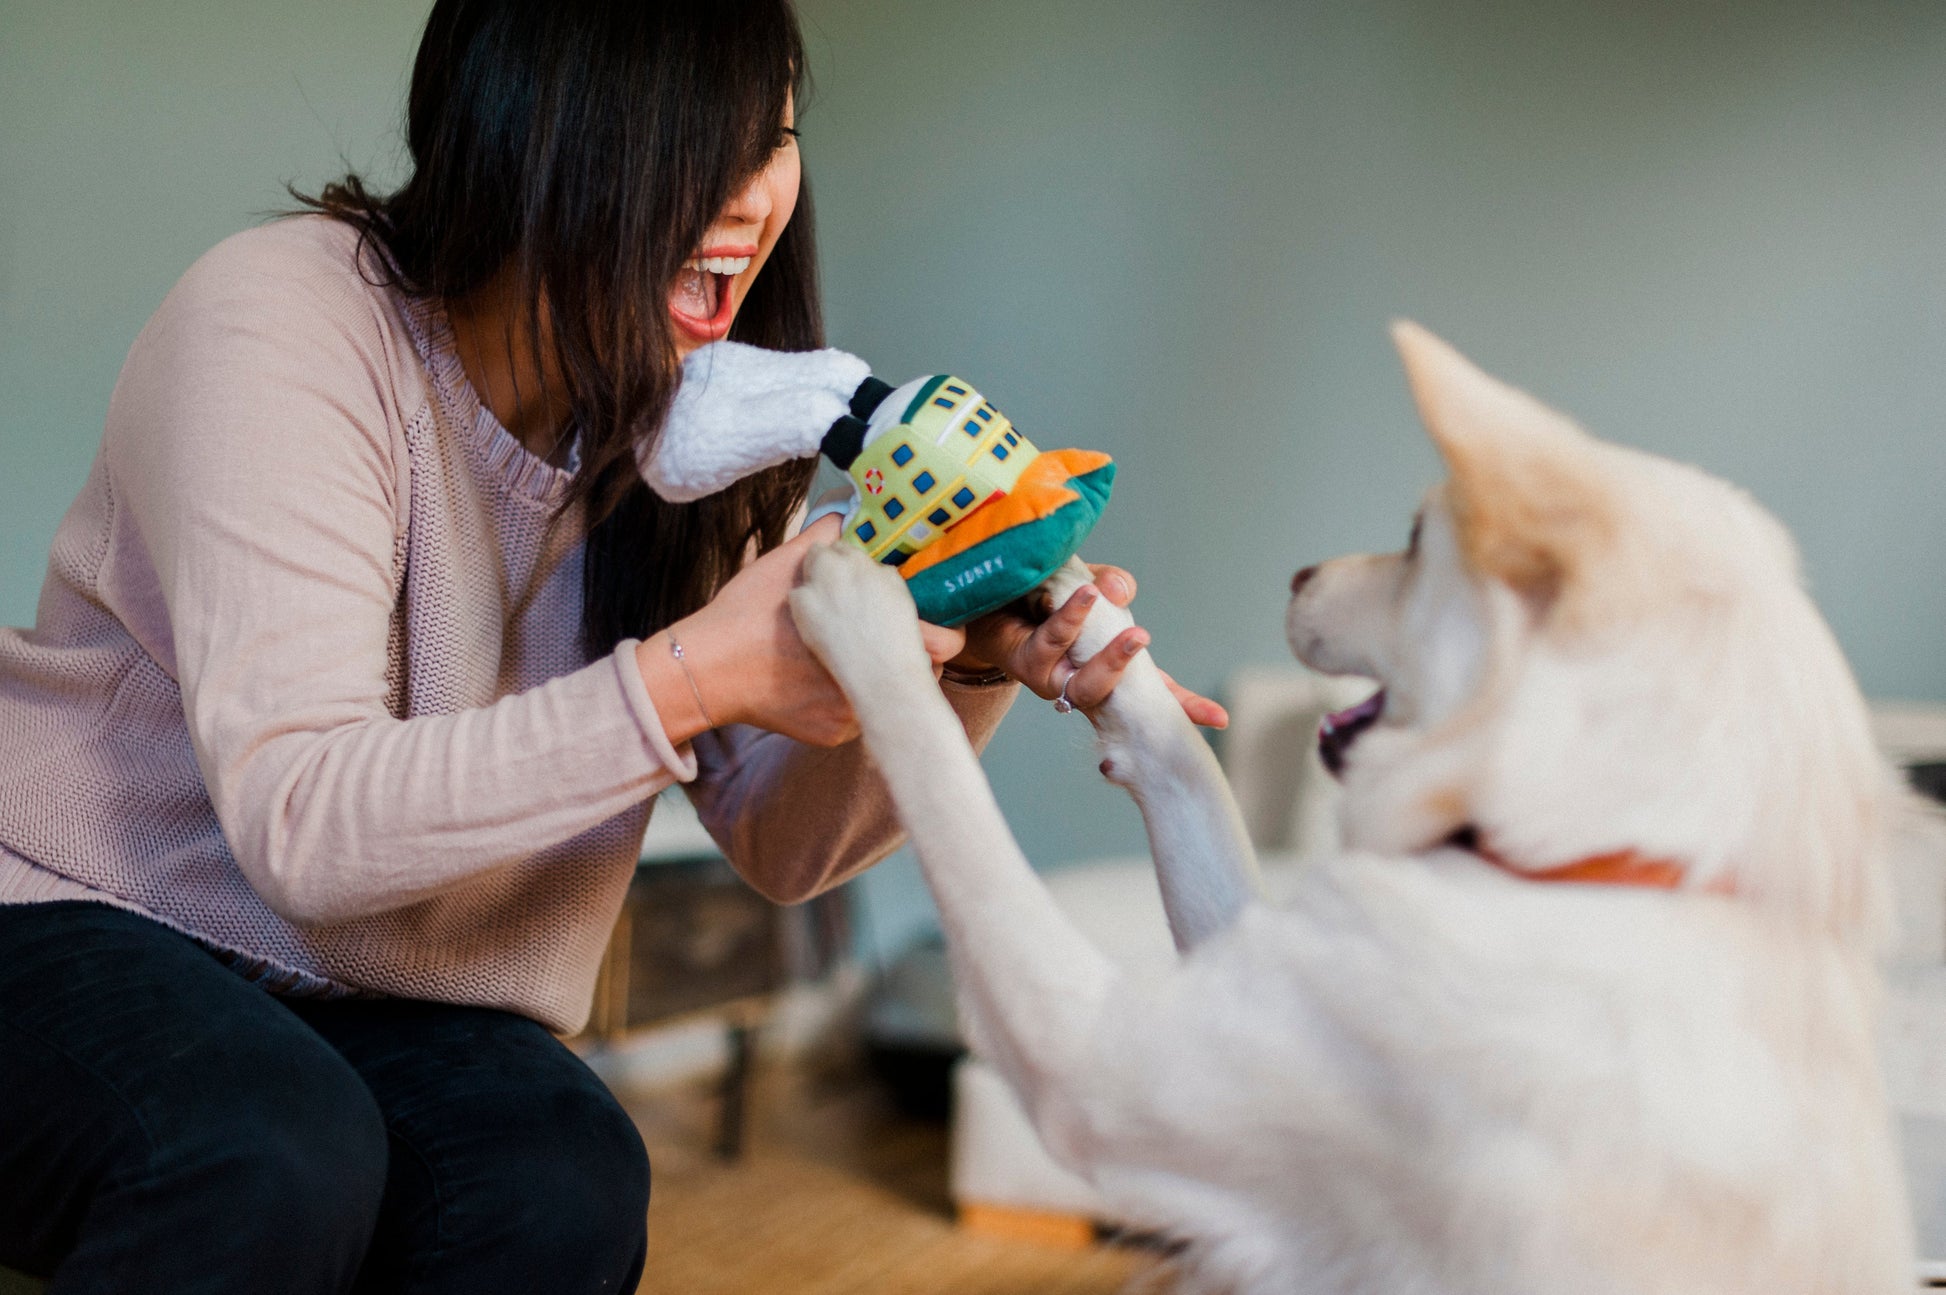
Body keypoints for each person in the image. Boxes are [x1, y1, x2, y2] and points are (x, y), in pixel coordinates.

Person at [0, 1, 1225, 1291]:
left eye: (777, 137)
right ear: (537, 138)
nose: (752, 199)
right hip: (77, 906)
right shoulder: (286, 318)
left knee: (560, 1176)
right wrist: (698, 670)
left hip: (379, 984)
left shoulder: (694, 426)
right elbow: (302, 819)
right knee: (263, 1147)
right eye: (693, 143)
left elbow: (786, 842)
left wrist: (960, 654)